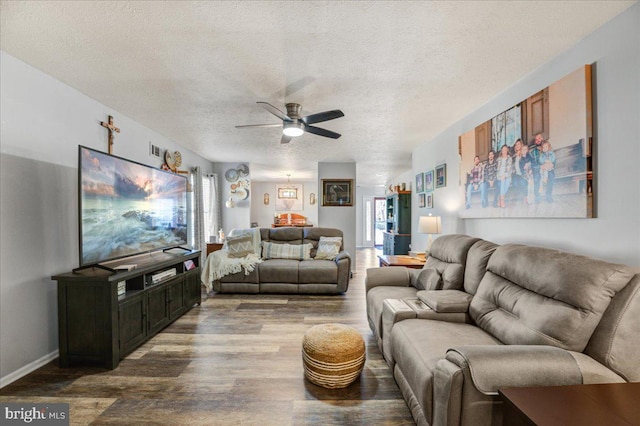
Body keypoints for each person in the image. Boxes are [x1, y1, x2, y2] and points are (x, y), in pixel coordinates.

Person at [529, 133, 545, 203]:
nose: (537, 140)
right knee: (536, 176)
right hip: (537, 168)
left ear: (542, 139)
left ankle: (545, 196)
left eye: (539, 138)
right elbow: (533, 161)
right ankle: (537, 196)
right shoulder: (534, 150)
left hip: (545, 167)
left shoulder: (546, 147)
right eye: (536, 139)